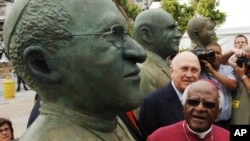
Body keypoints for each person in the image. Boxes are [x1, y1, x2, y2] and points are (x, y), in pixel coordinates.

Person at [3, 0, 146, 140]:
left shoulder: (108, 120)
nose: (140, 53)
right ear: (43, 65)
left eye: (127, 33)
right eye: (112, 35)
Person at [139, 51, 201, 136]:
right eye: (184, 69)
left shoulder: (204, 101)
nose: (189, 75)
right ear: (172, 71)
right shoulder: (153, 102)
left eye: (194, 70)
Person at [147, 80, 229, 141]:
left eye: (209, 104)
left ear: (218, 112)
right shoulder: (159, 137)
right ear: (184, 106)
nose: (200, 109)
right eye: (193, 102)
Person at [134, 8, 182, 97]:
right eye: (170, 29)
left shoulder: (164, 64)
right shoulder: (143, 73)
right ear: (147, 35)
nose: (178, 34)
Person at [199, 42, 237, 130]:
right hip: (206, 123)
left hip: (226, 123)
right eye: (212, 53)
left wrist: (212, 71)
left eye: (218, 53)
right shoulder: (200, 72)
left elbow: (233, 85)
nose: (216, 55)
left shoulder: (227, 69)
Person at [231, 45, 250, 124]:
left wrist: (243, 76)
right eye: (246, 59)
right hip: (232, 123)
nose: (248, 63)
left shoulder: (241, 74)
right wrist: (233, 51)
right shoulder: (234, 70)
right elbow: (221, 61)